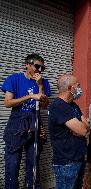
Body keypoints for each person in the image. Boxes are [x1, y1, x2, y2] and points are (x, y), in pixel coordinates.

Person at [1, 53, 50, 189]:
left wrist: (39, 86)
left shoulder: (43, 82)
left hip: (35, 122)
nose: (39, 70)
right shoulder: (14, 79)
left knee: (33, 165)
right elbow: (8, 103)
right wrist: (29, 96)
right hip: (17, 123)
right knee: (12, 165)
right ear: (27, 64)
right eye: (37, 66)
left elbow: (44, 105)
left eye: (42, 68)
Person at [48, 74, 89, 189]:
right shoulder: (58, 106)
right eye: (78, 86)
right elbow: (83, 130)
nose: (80, 88)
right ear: (71, 88)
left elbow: (86, 127)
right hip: (66, 162)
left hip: (78, 158)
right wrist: (82, 127)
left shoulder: (73, 105)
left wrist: (82, 127)